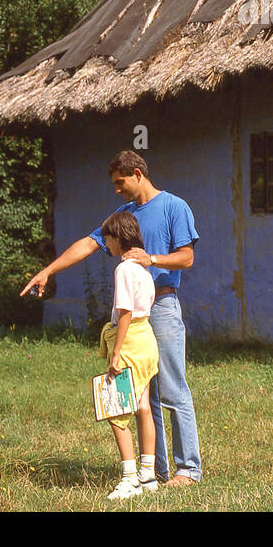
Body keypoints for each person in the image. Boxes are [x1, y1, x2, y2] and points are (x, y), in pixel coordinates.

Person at [21, 150, 203, 486]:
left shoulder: (174, 207)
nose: (117, 191)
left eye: (120, 183)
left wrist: (152, 258)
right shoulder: (124, 215)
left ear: (137, 173)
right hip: (130, 321)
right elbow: (88, 245)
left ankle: (188, 470)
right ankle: (157, 471)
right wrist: (48, 271)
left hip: (160, 308)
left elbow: (187, 258)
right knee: (144, 397)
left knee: (173, 390)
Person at [97, 211, 159, 501]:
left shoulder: (123, 270)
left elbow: (125, 312)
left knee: (116, 410)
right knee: (143, 407)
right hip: (147, 339)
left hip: (131, 341)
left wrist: (116, 353)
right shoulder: (143, 268)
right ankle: (148, 474)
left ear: (118, 237)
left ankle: (129, 479)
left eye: (107, 237)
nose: (105, 243)